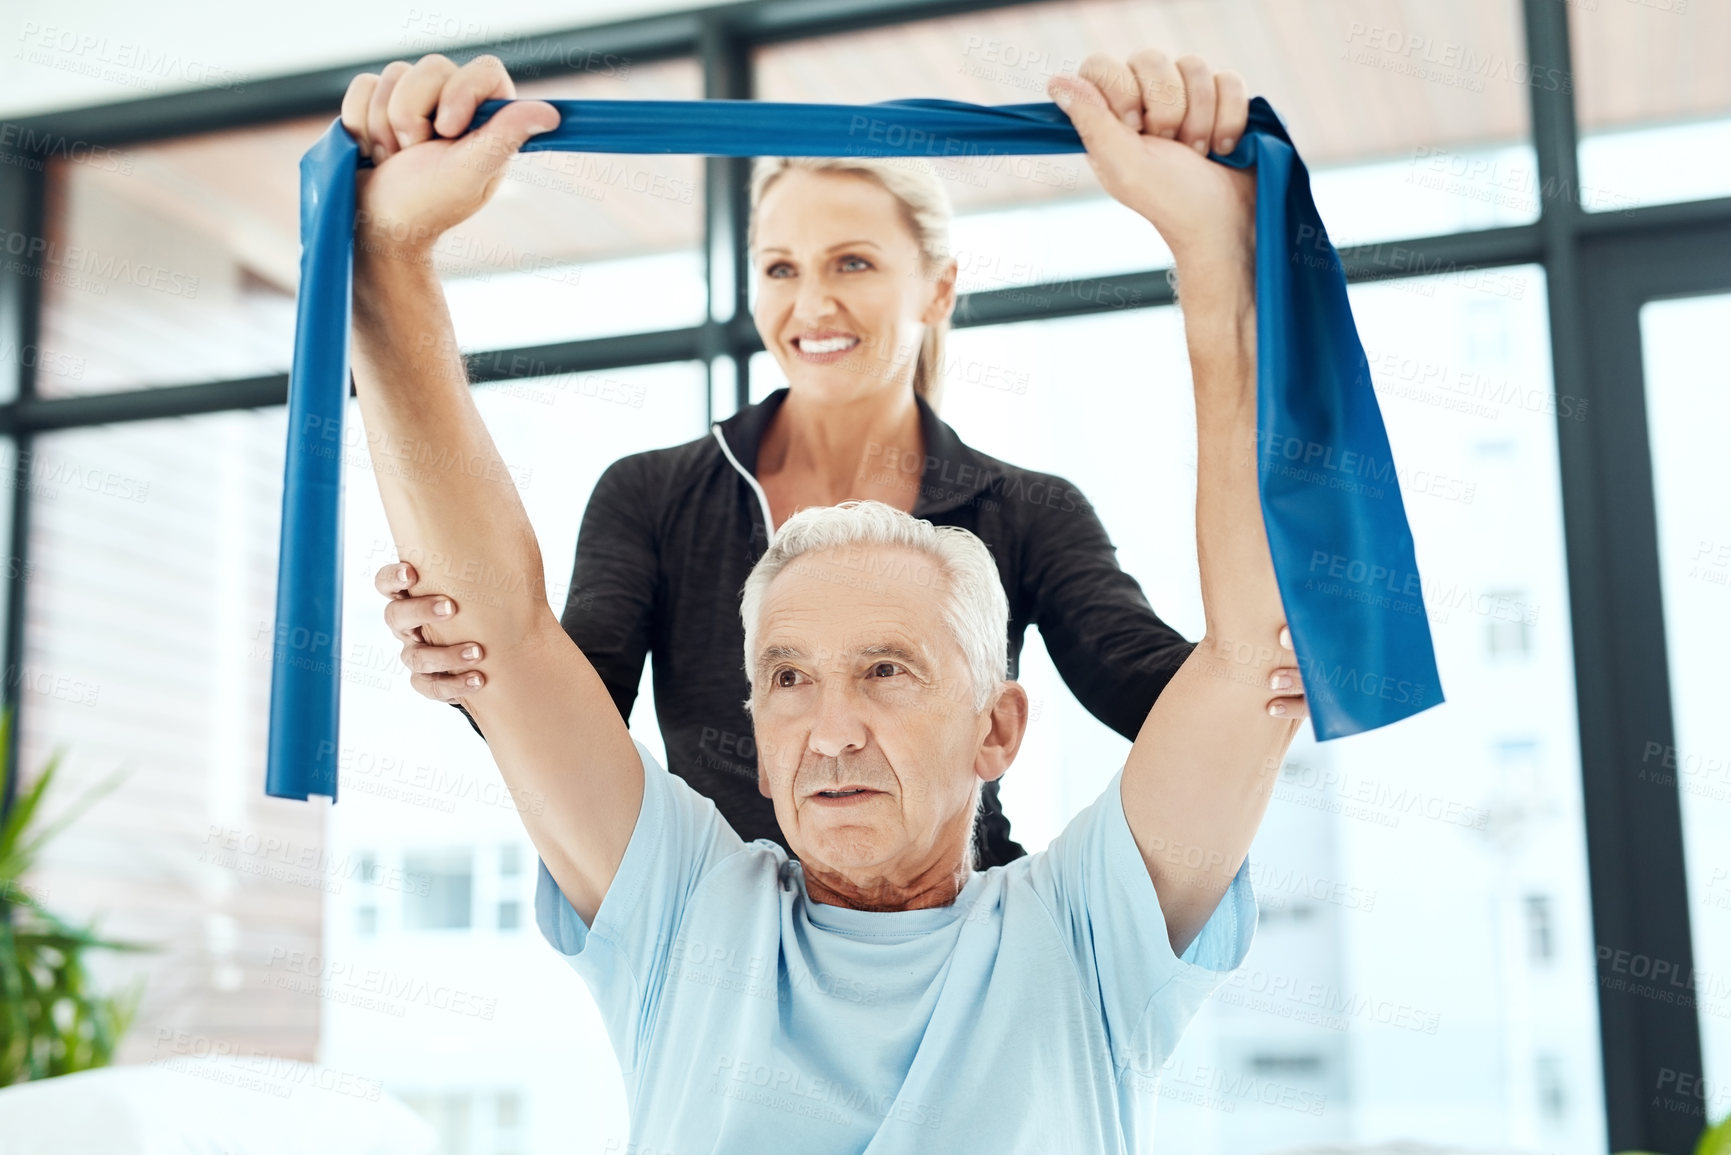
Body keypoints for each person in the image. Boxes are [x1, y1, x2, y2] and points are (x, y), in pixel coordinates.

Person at [340, 45, 1303, 1151]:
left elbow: (1242, 671)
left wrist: (1220, 249)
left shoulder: (1077, 937)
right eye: (787, 680)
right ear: (753, 731)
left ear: (998, 726)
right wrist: (386, 257)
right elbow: (518, 653)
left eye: (890, 670)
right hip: (706, 909)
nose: (831, 731)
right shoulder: (686, 912)